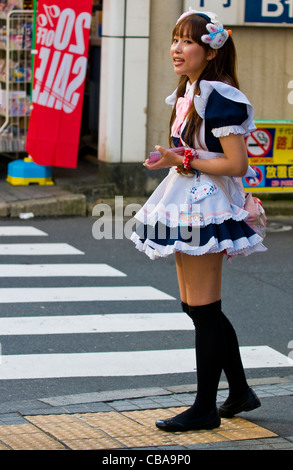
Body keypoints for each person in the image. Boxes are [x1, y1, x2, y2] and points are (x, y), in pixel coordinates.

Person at [130, 10, 265, 432]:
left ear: (210, 50)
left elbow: (237, 163)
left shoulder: (219, 95)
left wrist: (181, 158)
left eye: (187, 41)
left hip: (207, 209)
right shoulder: (190, 91)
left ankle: (205, 408)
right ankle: (239, 391)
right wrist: (171, 159)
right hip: (187, 202)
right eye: (174, 39)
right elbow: (199, 156)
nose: (176, 47)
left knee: (205, 310)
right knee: (195, 306)